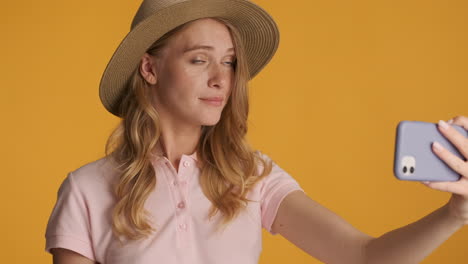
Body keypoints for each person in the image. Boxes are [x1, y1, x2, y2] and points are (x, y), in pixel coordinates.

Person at [44, 0, 468, 263]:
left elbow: (363, 256)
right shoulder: (86, 189)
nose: (221, 79)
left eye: (228, 61)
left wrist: (455, 215)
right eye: (199, 60)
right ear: (150, 68)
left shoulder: (252, 177)